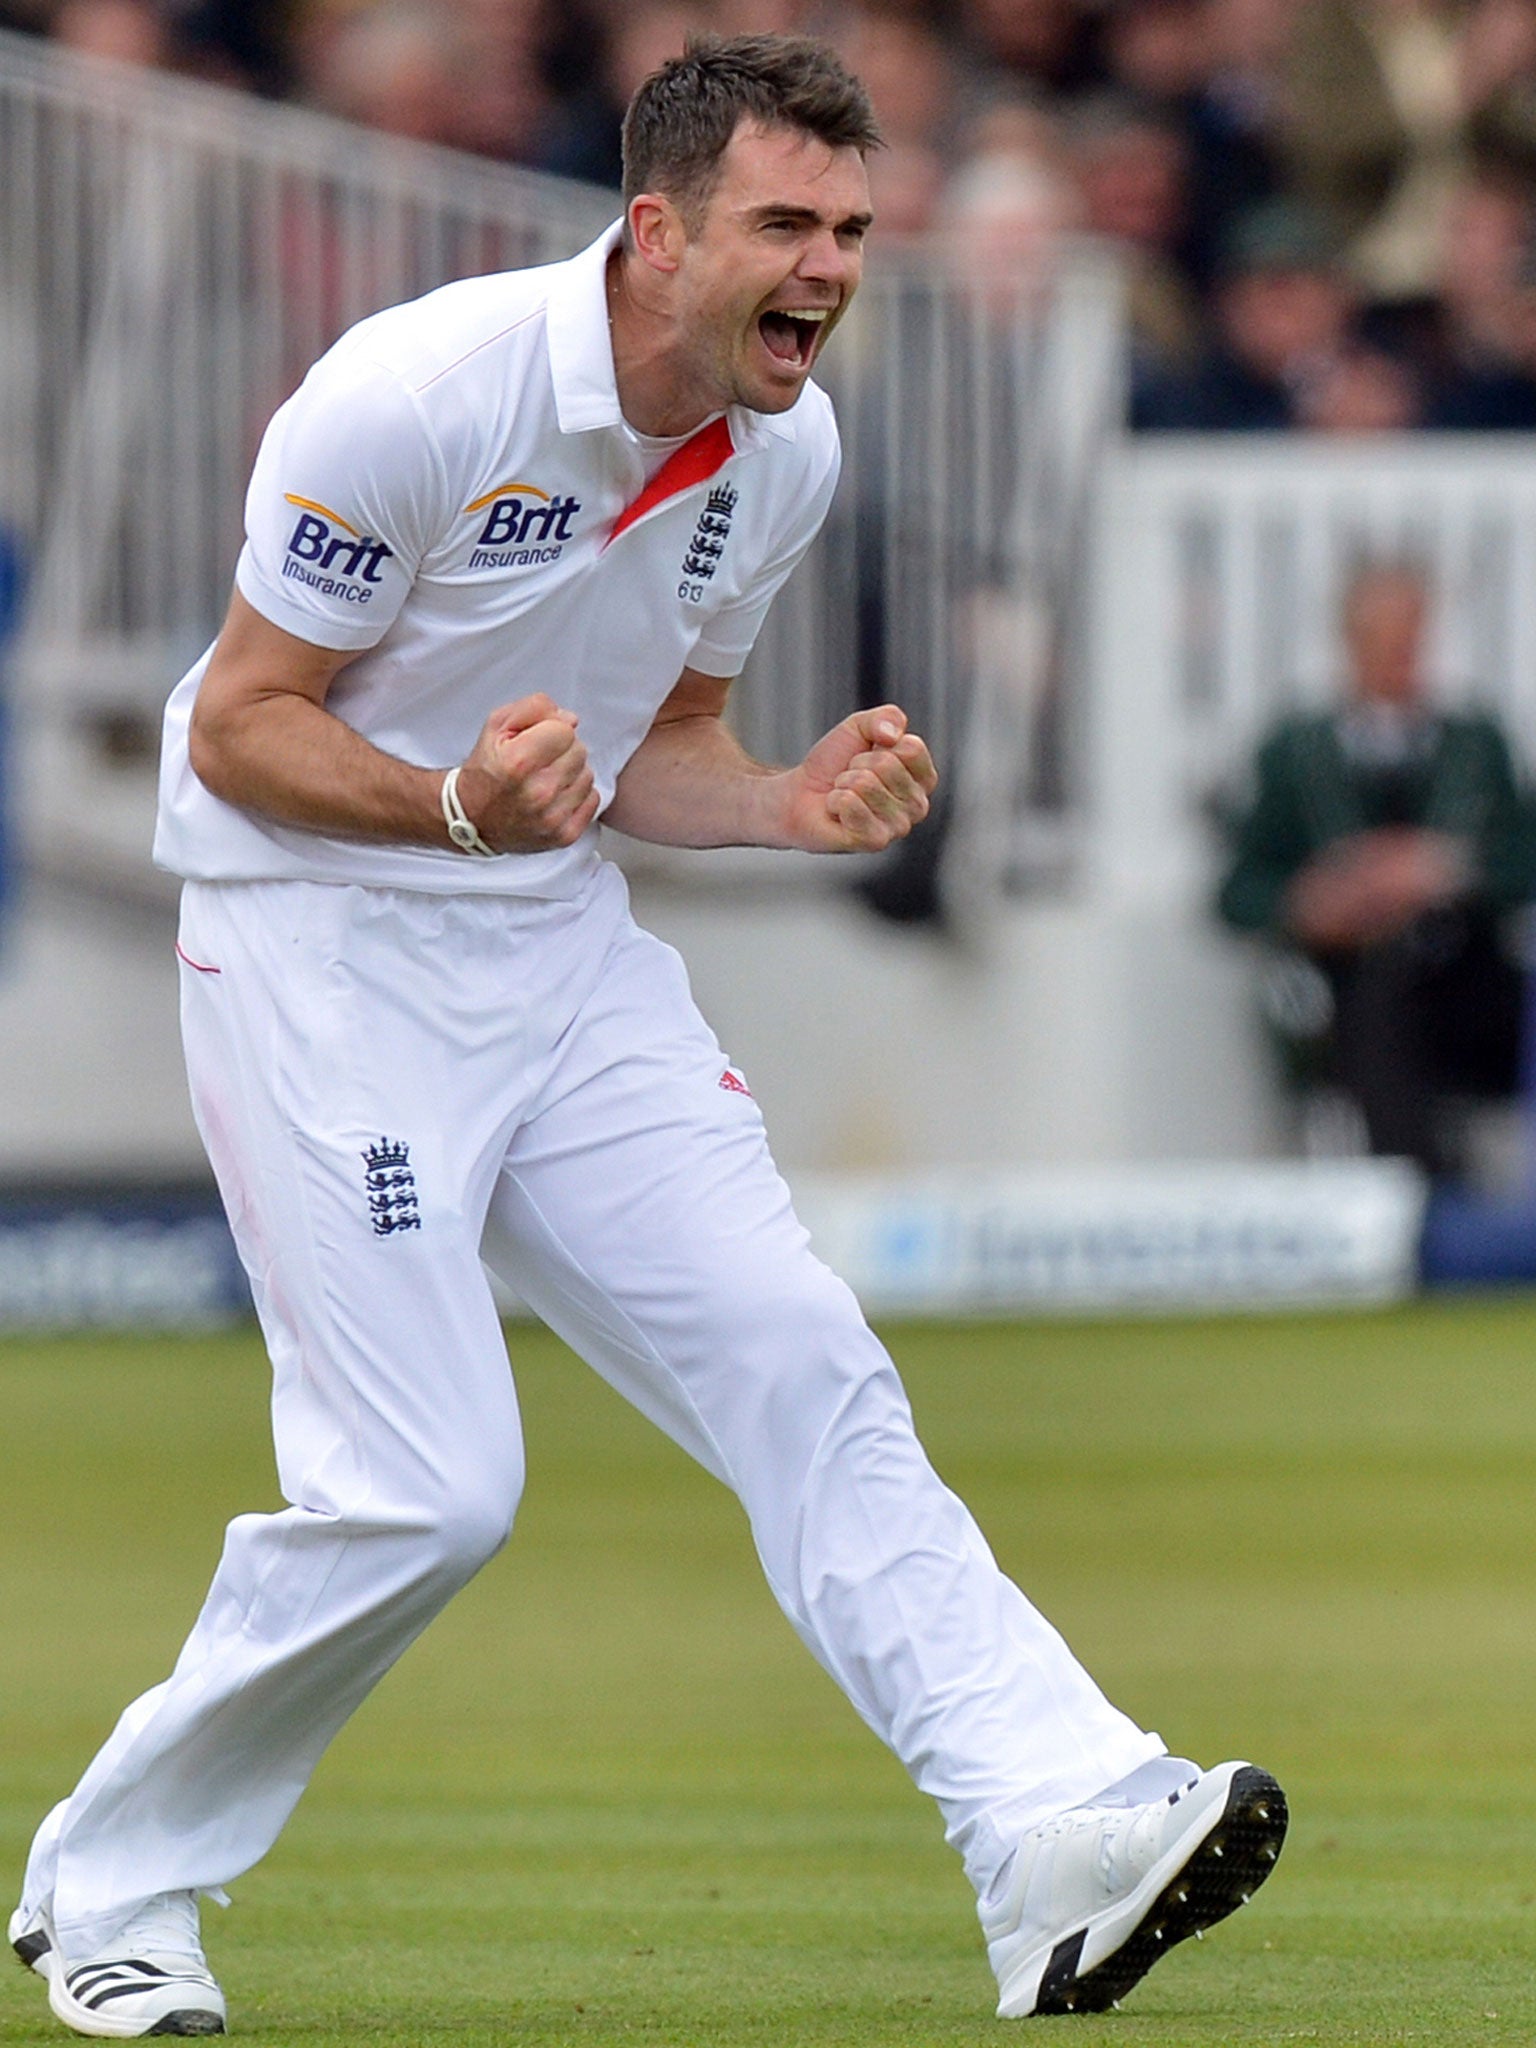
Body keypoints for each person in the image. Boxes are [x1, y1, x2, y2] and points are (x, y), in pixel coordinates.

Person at [10, 35, 1285, 2038]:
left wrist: (780, 803)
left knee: (801, 1355)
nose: (830, 267)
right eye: (788, 224)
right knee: (429, 1490)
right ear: (660, 226)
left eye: (855, 228)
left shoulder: (789, 451)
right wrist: (448, 807)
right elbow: (240, 723)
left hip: (559, 950)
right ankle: (114, 1886)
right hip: (323, 949)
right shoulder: (419, 392)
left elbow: (655, 746)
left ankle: (1055, 1826)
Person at [1217, 558, 1536, 1178]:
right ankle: (1417, 1188)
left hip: (1466, 977)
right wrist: (1308, 902)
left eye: (1411, 634)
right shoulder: (1295, 752)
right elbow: (1237, 892)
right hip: (1344, 986)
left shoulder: (1477, 742)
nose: (1401, 653)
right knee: (1376, 981)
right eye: (1383, 637)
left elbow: (1523, 860)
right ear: (1349, 640)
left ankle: (1413, 1194)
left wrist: (1445, 869)